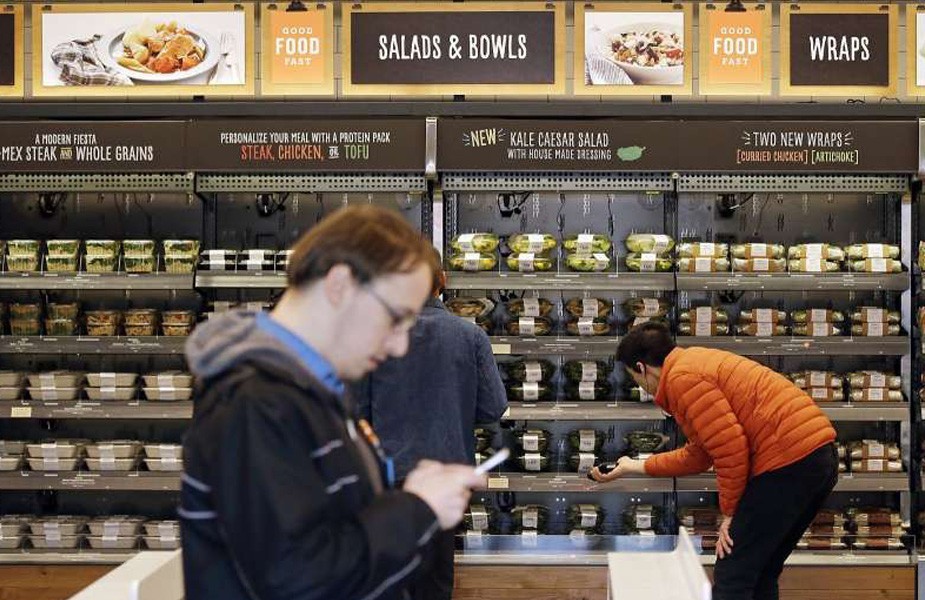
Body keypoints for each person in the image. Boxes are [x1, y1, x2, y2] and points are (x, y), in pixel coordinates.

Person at [180, 205, 486, 600]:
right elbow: (295, 580)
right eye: (396, 318)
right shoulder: (258, 403)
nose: (400, 345)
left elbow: (328, 530)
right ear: (340, 284)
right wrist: (416, 508)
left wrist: (409, 495)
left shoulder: (311, 391)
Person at [592, 322, 837, 600]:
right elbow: (700, 454)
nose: (640, 385)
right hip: (815, 457)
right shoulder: (692, 364)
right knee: (760, 570)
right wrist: (632, 466)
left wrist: (730, 514)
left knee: (733, 572)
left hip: (788, 460)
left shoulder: (682, 379)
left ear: (641, 368)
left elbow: (730, 448)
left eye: (633, 377)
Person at [354, 249, 508, 600]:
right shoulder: (470, 336)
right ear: (444, 282)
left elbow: (357, 410)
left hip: (389, 477)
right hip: (446, 477)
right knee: (436, 580)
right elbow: (494, 407)